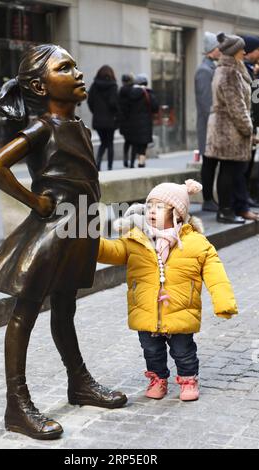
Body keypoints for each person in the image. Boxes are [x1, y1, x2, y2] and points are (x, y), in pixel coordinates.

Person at [0, 44, 127, 441]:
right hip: (53, 228)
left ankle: (79, 382)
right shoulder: (42, 127)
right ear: (40, 87)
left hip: (81, 225)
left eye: (76, 65)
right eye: (66, 67)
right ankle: (17, 404)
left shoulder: (82, 128)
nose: (78, 72)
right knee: (25, 312)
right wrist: (35, 200)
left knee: (65, 307)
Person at [98, 179, 237, 401]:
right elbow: (111, 251)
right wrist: (89, 243)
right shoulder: (136, 239)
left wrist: (224, 302)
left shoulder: (196, 243)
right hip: (146, 309)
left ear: (177, 213)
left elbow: (216, 274)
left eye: (160, 206)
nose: (152, 210)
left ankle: (188, 379)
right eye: (150, 205)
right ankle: (158, 379)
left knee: (184, 351)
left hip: (181, 309)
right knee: (151, 351)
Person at [206, 33, 259, 223]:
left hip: (230, 129)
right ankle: (225, 211)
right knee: (228, 171)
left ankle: (230, 210)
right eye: (241, 49)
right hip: (228, 130)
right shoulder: (229, 72)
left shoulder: (233, 69)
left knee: (232, 171)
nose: (244, 52)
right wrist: (249, 129)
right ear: (234, 51)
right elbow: (236, 106)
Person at [195, 32, 221, 212]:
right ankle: (208, 199)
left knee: (212, 162)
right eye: (219, 47)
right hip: (208, 126)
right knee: (209, 162)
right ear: (213, 49)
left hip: (213, 125)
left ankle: (211, 199)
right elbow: (206, 104)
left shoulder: (211, 68)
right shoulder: (204, 70)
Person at [122, 73, 159, 168]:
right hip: (146, 122)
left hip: (132, 122)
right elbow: (155, 108)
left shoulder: (130, 93)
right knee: (143, 143)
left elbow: (125, 108)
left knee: (135, 142)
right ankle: (141, 162)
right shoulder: (148, 93)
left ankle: (132, 162)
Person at [87, 65, 118, 171]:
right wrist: (116, 112)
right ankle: (109, 166)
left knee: (103, 142)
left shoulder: (94, 86)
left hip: (98, 120)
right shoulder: (113, 86)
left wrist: (95, 112)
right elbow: (113, 103)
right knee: (109, 143)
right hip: (110, 120)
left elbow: (89, 101)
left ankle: (98, 162)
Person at [241, 35, 259, 206]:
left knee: (249, 162)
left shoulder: (251, 69)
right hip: (246, 123)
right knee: (243, 166)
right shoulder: (243, 70)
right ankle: (242, 199)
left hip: (252, 122)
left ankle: (246, 196)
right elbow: (253, 98)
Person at [118, 73, 134, 168]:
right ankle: (131, 162)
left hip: (123, 120)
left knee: (127, 141)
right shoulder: (132, 91)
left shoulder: (120, 91)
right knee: (133, 142)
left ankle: (125, 158)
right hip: (132, 119)